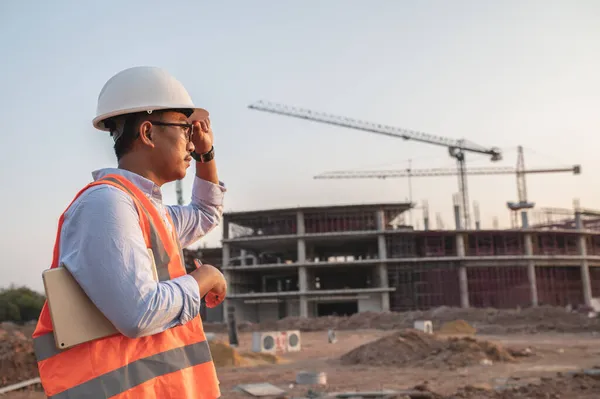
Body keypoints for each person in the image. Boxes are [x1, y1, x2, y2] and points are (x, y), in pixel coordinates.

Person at [32, 66, 227, 398]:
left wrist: (208, 154)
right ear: (149, 133)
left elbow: (206, 213)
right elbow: (140, 313)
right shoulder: (107, 204)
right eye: (184, 129)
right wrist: (204, 277)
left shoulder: (146, 210)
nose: (191, 145)